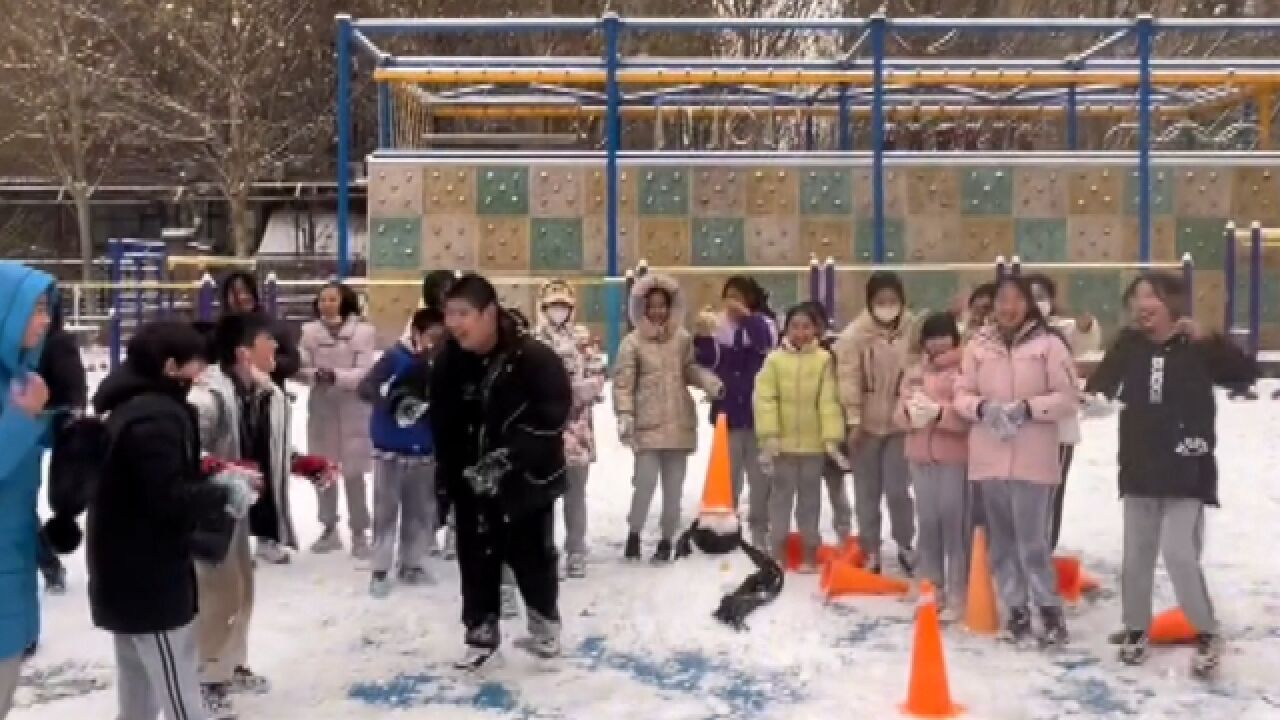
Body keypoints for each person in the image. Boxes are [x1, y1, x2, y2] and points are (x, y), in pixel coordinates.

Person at [1084, 273, 1255, 677]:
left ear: (1172, 304)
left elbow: (1244, 374)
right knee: (1136, 557)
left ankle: (1207, 631)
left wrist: (1210, 340)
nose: (1143, 305)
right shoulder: (1128, 344)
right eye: (1137, 298)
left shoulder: (1194, 346)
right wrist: (1093, 402)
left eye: (1152, 297)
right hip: (1140, 467)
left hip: (1187, 469)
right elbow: (1099, 387)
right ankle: (1136, 628)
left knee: (1179, 553)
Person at [88, 320, 257, 720]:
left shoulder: (136, 407)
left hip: (124, 574)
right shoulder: (156, 419)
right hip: (150, 580)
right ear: (170, 367)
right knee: (179, 693)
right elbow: (164, 499)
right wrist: (221, 493)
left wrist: (209, 478)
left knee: (137, 692)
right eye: (196, 366)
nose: (201, 376)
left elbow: (158, 482)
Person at [428, 273, 573, 669]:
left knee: (531, 556)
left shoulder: (535, 358)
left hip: (526, 483)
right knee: (475, 557)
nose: (454, 323)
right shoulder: (449, 360)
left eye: (463, 314)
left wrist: (507, 458)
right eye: (449, 314)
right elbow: (441, 418)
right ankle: (480, 631)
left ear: (489, 313)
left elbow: (552, 418)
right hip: (470, 481)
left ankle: (545, 630)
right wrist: (446, 478)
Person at [189, 312, 315, 714]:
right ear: (244, 352)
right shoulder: (207, 395)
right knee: (217, 595)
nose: (277, 347)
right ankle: (207, 676)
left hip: (240, 510)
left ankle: (231, 664)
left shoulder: (263, 393)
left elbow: (262, 449)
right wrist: (224, 471)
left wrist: (301, 463)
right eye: (268, 340)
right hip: (211, 512)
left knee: (242, 589)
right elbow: (187, 450)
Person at [953, 276, 1079, 648]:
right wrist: (982, 408)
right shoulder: (977, 346)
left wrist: (1029, 408)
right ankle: (1017, 610)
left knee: (1033, 541)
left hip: (1033, 457)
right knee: (1002, 542)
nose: (1008, 308)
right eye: (1001, 301)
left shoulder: (1050, 345)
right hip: (990, 456)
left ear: (1028, 305)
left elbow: (1068, 397)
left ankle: (1049, 609)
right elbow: (961, 393)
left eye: (1016, 301)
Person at [614, 274, 723, 564]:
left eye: (663, 305)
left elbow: (690, 369)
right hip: (647, 427)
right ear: (642, 308)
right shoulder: (632, 343)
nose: (658, 311)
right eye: (652, 306)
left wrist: (709, 382)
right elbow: (623, 383)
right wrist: (625, 414)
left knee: (673, 490)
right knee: (645, 483)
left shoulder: (682, 339)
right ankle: (634, 532)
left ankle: (666, 539)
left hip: (678, 424)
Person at [833, 270, 918, 575]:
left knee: (898, 490)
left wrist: (910, 411)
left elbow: (919, 371)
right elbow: (848, 378)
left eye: (892, 300)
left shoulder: (913, 330)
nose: (887, 305)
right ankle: (870, 549)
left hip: (900, 426)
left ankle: (906, 544)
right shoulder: (855, 335)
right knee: (867, 490)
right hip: (865, 428)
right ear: (870, 303)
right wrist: (853, 420)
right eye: (880, 301)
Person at [358, 307, 444, 598]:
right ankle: (380, 569)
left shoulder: (441, 365)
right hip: (389, 447)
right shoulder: (395, 357)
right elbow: (366, 387)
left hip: (423, 449)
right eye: (430, 336)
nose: (434, 343)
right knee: (386, 510)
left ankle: (412, 563)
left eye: (440, 337)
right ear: (416, 333)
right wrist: (392, 403)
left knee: (419, 511)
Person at [753, 302, 846, 570]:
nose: (801, 332)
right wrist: (769, 436)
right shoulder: (774, 361)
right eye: (795, 326)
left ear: (816, 328)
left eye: (807, 326)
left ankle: (809, 551)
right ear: (786, 328)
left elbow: (829, 402)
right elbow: (765, 399)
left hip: (813, 447)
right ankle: (777, 549)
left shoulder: (824, 361)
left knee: (810, 501)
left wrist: (831, 439)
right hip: (782, 447)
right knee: (780, 499)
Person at [0, 261, 54, 718]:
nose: (46, 319)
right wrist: (23, 420)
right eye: (35, 309)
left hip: (13, 572)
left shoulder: (19, 379)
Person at [895, 312, 971, 622]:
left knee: (954, 523)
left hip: (953, 458)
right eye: (932, 336)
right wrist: (910, 416)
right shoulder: (915, 372)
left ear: (954, 338)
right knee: (928, 524)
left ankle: (958, 590)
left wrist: (941, 414)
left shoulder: (965, 370)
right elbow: (897, 412)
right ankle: (933, 586)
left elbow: (967, 415)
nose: (937, 342)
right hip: (919, 457)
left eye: (944, 335)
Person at [694, 276, 778, 549]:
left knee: (760, 475)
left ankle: (760, 525)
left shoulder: (764, 323)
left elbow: (765, 344)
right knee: (729, 473)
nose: (733, 302)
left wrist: (747, 318)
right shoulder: (719, 326)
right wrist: (703, 336)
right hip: (728, 413)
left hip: (758, 415)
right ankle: (726, 525)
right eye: (729, 296)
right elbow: (708, 361)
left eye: (739, 296)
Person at [533, 280, 607, 579]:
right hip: (543, 432)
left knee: (575, 495)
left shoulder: (584, 338)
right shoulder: (534, 340)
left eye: (563, 305)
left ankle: (576, 551)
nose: (558, 311)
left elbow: (599, 375)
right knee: (543, 497)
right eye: (553, 306)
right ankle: (546, 552)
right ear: (543, 308)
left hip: (577, 430)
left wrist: (575, 392)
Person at [298, 282, 377, 558]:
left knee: (354, 475)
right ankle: (329, 528)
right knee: (323, 471)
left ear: (344, 301)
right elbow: (301, 367)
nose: (326, 304)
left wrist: (336, 376)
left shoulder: (364, 332)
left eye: (332, 299)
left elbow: (364, 372)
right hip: (322, 409)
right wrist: (314, 375)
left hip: (353, 410)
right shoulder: (308, 333)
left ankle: (359, 533)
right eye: (322, 299)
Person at [1025, 273, 1102, 552]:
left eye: (1042, 297)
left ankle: (1045, 549)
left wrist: (1086, 326)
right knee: (1024, 496)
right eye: (1031, 296)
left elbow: (1084, 339)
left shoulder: (1060, 329)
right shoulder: (1010, 333)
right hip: (1023, 429)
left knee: (1052, 494)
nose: (1037, 303)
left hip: (1058, 431)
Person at [36, 297, 86, 596]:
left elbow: (73, 389)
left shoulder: (56, 343)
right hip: (28, 424)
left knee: (16, 508)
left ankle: (47, 560)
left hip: (38, 425)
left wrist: (69, 414)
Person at [219, 271, 300, 386]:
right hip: (229, 397)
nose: (243, 297)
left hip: (269, 395)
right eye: (236, 292)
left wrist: (271, 362)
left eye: (247, 291)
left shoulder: (272, 325)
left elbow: (293, 361)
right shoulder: (220, 329)